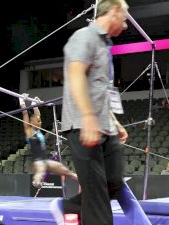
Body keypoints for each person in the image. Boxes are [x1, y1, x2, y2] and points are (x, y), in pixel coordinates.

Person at [50, 0, 129, 224]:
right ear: (113, 11)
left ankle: (68, 206)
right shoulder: (83, 36)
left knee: (113, 184)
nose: (125, 25)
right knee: (96, 194)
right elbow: (75, 76)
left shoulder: (105, 46)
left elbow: (101, 90)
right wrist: (87, 118)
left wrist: (115, 122)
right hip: (82, 124)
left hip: (105, 124)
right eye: (124, 18)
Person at [19, 94, 78, 188]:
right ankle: (36, 182)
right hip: (37, 162)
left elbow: (38, 115)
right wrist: (21, 101)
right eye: (38, 121)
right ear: (31, 122)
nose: (40, 122)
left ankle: (81, 180)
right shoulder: (29, 132)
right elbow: (25, 114)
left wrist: (34, 104)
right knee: (41, 171)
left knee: (66, 171)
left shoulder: (38, 132)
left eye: (40, 121)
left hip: (45, 161)